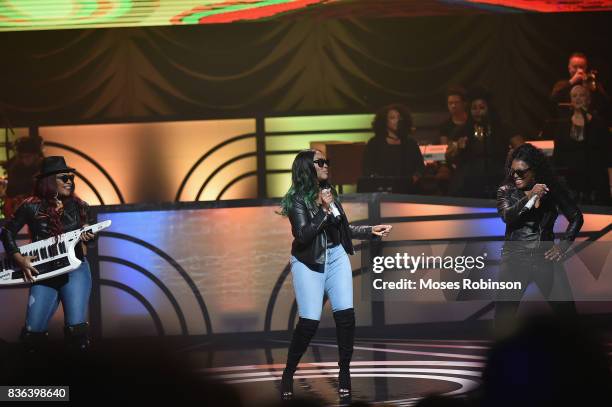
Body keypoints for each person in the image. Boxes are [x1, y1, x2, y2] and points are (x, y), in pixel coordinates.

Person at [278, 149, 392, 399]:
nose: (325, 165)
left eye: (325, 161)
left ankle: (344, 371)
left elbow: (343, 228)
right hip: (309, 262)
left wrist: (370, 230)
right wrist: (324, 209)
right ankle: (288, 372)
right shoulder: (298, 199)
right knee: (309, 323)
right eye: (320, 162)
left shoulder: (329, 193)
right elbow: (304, 235)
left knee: (346, 316)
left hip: (337, 257)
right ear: (308, 168)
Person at [0, 156, 96, 353]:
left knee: (77, 333)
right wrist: (18, 258)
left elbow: (92, 240)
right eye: (64, 178)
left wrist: (88, 235)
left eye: (71, 177)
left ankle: (80, 380)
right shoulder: (30, 206)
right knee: (32, 335)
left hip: (74, 270)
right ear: (49, 181)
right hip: (44, 272)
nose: (70, 181)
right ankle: (37, 381)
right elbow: (7, 231)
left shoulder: (80, 206)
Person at [495, 143, 583, 337]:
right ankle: (502, 364)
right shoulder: (506, 190)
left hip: (546, 260)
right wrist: (531, 197)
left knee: (568, 318)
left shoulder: (551, 189)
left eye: (521, 172)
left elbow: (576, 216)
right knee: (503, 319)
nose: (516, 176)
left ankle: (577, 363)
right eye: (513, 171)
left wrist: (563, 246)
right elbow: (508, 216)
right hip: (514, 261)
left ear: (534, 171)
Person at [544, 84, 611, 205]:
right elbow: (558, 154)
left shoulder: (599, 124)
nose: (578, 98)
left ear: (589, 99)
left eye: (582, 95)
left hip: (595, 180)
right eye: (574, 96)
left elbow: (607, 154)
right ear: (571, 101)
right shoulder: (563, 124)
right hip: (571, 182)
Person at [446, 88, 509, 198]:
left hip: (497, 177)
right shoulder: (461, 130)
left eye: (482, 108)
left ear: (489, 109)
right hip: (469, 181)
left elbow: (520, 147)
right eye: (474, 108)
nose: (478, 111)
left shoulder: (501, 128)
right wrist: (456, 148)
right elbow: (448, 156)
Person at [362, 104, 425, 191]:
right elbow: (367, 169)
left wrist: (415, 177)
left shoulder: (410, 143)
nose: (397, 121)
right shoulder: (375, 143)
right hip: (382, 191)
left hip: (408, 190)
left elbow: (420, 167)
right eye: (392, 118)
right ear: (384, 121)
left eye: (399, 117)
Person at [550, 52, 610, 123]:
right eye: (575, 67)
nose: (579, 70)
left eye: (581, 67)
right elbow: (553, 98)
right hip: (567, 124)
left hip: (589, 124)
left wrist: (594, 88)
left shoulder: (592, 84)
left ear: (585, 68)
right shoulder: (561, 84)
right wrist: (571, 82)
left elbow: (606, 104)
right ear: (569, 68)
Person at [2, 136, 44, 218]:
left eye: (27, 157)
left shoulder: (45, 167)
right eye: (21, 157)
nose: (24, 160)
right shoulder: (14, 167)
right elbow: (10, 191)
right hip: (18, 207)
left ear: (36, 155)